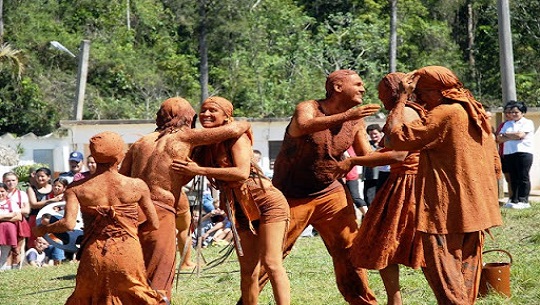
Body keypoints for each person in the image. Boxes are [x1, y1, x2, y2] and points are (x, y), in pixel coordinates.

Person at [235, 70, 381, 305]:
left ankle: (364, 302)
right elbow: (304, 124)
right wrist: (346, 116)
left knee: (348, 250)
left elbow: (367, 154)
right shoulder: (309, 107)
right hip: (291, 195)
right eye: (358, 84)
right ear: (338, 87)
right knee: (272, 256)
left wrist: (397, 147)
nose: (363, 89)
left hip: (330, 192)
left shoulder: (356, 120)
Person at [384, 66, 503, 304]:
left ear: (439, 91)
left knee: (447, 280)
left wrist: (402, 99)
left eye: (423, 92)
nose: (420, 98)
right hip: (475, 211)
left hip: (445, 214)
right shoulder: (474, 111)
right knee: (464, 281)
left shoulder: (445, 113)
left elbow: (393, 138)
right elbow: (496, 166)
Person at [118, 97, 251, 297]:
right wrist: (246, 123)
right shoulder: (186, 136)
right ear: (189, 118)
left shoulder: (139, 143)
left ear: (159, 118)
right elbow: (233, 130)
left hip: (133, 209)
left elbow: (122, 179)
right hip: (160, 210)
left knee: (137, 267)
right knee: (160, 271)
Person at [172, 96, 291, 305]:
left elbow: (242, 173)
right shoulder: (205, 144)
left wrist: (199, 170)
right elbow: (184, 171)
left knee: (272, 263)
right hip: (239, 208)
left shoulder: (237, 137)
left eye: (212, 110)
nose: (206, 114)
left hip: (267, 202)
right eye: (203, 110)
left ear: (226, 115)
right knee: (247, 271)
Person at [33, 131, 168, 304]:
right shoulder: (137, 186)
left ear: (94, 157)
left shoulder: (77, 188)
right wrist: (129, 231)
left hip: (94, 254)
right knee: (136, 295)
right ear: (120, 156)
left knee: (88, 297)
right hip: (128, 251)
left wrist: (44, 229)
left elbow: (68, 224)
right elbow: (154, 224)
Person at [338, 73, 426, 305]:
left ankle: (445, 294)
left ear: (393, 91)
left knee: (419, 244)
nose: (378, 96)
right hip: (398, 182)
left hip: (411, 184)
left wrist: (354, 161)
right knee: (382, 243)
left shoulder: (407, 112)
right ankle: (394, 300)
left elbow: (400, 153)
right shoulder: (398, 112)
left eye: (381, 92)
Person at [497, 100, 534, 209]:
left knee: (523, 176)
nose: (513, 114)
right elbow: (499, 138)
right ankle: (514, 199)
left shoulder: (527, 122)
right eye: (511, 112)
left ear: (522, 113)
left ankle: (524, 200)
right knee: (513, 177)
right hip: (509, 153)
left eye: (516, 112)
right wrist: (511, 135)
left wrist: (507, 135)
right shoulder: (507, 124)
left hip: (523, 153)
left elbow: (520, 135)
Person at [3, 171, 31, 269]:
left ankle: (17, 267)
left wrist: (10, 212)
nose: (11, 183)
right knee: (5, 246)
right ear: (4, 181)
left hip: (18, 222)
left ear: (17, 181)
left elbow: (26, 210)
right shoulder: (2, 193)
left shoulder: (21, 194)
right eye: (8, 181)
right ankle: (6, 266)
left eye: (13, 180)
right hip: (4, 224)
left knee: (18, 247)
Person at [26, 167, 54, 249]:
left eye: (42, 176)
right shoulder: (31, 189)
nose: (40, 178)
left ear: (48, 177)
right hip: (35, 217)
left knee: (52, 238)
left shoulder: (54, 188)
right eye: (38, 176)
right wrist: (51, 201)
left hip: (51, 217)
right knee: (34, 239)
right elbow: (34, 204)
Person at [0, 182, 22, 271]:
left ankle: (2, 269)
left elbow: (18, 217)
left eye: (2, 191)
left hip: (7, 231)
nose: (0, 194)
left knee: (5, 251)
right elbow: (13, 215)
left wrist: (2, 217)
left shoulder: (12, 203)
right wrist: (10, 215)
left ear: (6, 192)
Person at [343, 146, 368, 216]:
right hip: (343, 176)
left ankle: (368, 216)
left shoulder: (348, 146)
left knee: (355, 197)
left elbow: (347, 158)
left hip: (349, 175)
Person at [362, 124, 383, 206]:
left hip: (383, 176)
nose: (373, 136)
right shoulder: (366, 145)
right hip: (370, 177)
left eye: (375, 134)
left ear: (380, 133)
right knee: (369, 199)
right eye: (371, 135)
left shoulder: (386, 144)